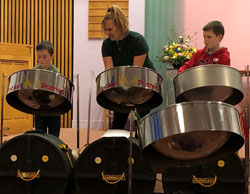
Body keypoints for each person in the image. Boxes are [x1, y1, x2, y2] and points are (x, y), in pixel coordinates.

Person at [101, 5, 155, 130]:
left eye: (110, 29)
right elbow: (110, 70)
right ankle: (115, 147)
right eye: (105, 30)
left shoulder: (137, 40)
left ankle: (140, 147)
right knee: (118, 123)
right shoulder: (107, 44)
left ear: (119, 25)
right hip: (122, 85)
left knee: (142, 124)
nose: (107, 33)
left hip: (142, 84)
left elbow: (136, 71)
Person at [33, 40, 61, 137]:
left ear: (52, 57)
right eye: (39, 57)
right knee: (40, 136)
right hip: (39, 108)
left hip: (54, 110)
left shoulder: (56, 72)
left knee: (54, 137)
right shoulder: (34, 71)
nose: (41, 60)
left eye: (44, 57)